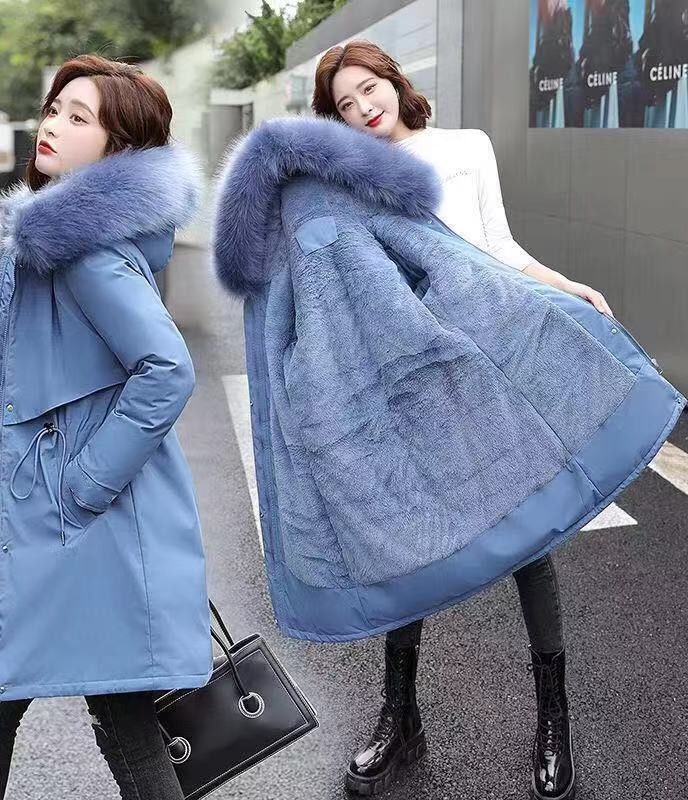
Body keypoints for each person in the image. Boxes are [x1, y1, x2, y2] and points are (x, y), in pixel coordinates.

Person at [310, 39, 622, 799]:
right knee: (411, 544)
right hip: (415, 380)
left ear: (393, 80)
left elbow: (499, 246)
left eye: (367, 88)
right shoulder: (352, 182)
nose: (362, 108)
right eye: (344, 105)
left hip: (494, 366)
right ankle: (401, 717)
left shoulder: (465, 147)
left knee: (530, 542)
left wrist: (567, 284)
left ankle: (554, 720)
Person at [0, 54, 212, 800]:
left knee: (11, 715)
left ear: (117, 149)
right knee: (102, 720)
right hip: (74, 532)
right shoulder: (55, 239)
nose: (54, 125)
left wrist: (84, 483)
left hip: (82, 529)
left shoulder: (84, 251)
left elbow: (167, 367)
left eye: (79, 117)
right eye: (54, 109)